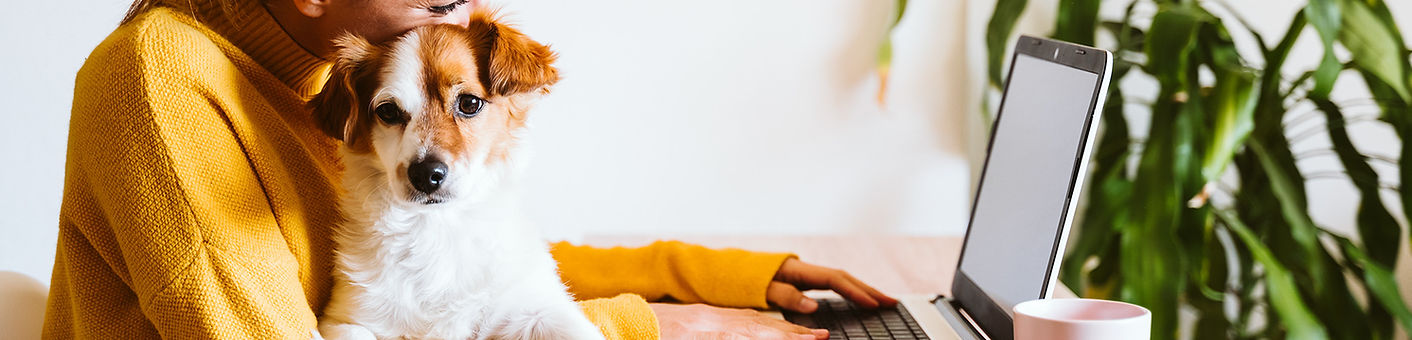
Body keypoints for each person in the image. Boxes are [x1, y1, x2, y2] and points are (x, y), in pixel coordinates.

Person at [42, 0, 898, 338]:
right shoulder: (157, 78)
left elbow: (462, 265)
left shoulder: (328, 87)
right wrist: (648, 329)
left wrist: (713, 283)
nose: (464, 12)